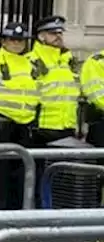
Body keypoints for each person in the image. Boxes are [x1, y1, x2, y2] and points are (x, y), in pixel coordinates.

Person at [28, 14, 81, 146]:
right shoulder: (31, 60)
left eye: (60, 33)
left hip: (68, 126)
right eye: (52, 33)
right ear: (41, 36)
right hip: (41, 127)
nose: (58, 36)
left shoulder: (67, 61)